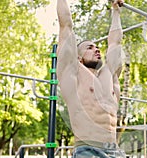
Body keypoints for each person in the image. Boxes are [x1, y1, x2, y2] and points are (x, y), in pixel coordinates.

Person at [56, 0, 125, 157]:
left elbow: (115, 42)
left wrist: (116, 11)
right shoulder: (74, 75)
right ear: (78, 57)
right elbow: (65, 26)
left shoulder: (109, 75)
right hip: (88, 150)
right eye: (89, 47)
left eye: (97, 47)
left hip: (114, 150)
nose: (96, 49)